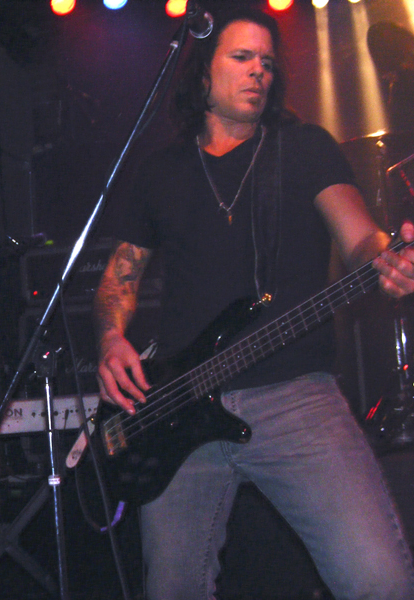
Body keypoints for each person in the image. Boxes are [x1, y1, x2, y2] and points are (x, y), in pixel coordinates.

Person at [94, 8, 414, 600]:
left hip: (296, 397)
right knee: (173, 590)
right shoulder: (160, 171)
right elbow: (120, 278)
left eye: (267, 61)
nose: (258, 71)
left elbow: (361, 239)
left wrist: (386, 259)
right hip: (179, 407)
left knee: (380, 580)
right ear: (202, 72)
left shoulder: (305, 147)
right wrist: (112, 339)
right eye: (242, 57)